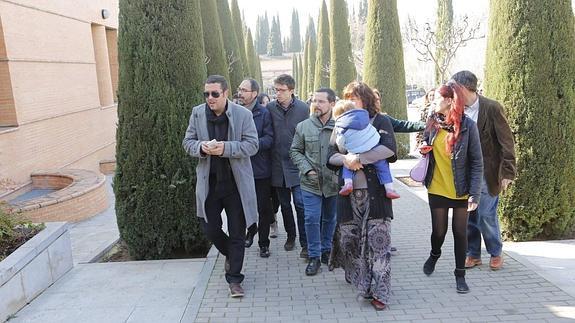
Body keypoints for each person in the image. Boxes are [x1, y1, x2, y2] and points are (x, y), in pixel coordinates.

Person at [182, 75, 259, 298]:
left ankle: (235, 279)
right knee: (209, 228)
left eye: (215, 94)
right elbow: (187, 142)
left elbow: (252, 145)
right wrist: (202, 148)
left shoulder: (243, 114)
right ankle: (232, 254)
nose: (210, 98)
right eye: (206, 94)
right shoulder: (197, 113)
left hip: (236, 185)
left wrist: (225, 148)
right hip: (210, 184)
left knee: (237, 232)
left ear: (226, 93)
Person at [327, 81, 397, 311]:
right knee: (351, 242)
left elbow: (389, 149)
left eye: (353, 97)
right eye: (346, 97)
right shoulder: (340, 124)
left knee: (379, 244)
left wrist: (359, 159)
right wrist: (345, 159)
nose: (348, 101)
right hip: (349, 195)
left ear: (365, 99)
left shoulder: (381, 120)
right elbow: (330, 156)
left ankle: (381, 292)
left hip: (376, 194)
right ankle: (364, 285)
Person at [419, 82, 483, 294]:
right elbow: (424, 141)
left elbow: (476, 162)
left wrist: (474, 194)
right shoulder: (432, 121)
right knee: (439, 231)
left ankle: (460, 275)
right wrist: (423, 148)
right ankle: (434, 254)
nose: (432, 102)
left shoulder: (467, 126)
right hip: (436, 186)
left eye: (436, 98)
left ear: (448, 101)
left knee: (459, 232)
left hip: (460, 188)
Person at [450, 71, 516, 271]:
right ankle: (473, 254)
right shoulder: (456, 110)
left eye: (454, 88)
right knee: (468, 214)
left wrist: (507, 171)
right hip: (464, 173)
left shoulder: (492, 108)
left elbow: (507, 142)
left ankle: (495, 252)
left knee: (486, 214)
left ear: (463, 88)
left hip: (487, 172)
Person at [289, 88, 339, 275]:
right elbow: (295, 151)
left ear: (332, 104)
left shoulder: (340, 126)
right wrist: (307, 169)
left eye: (321, 101)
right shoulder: (303, 126)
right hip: (310, 183)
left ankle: (326, 250)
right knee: (311, 218)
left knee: (330, 218)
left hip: (333, 183)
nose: (316, 105)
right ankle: (314, 256)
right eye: (314, 101)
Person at [267, 74, 310, 257]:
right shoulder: (269, 108)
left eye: (282, 90)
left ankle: (305, 242)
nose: (278, 93)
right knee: (284, 205)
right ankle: (290, 236)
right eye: (275, 90)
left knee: (300, 204)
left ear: (291, 90)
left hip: (298, 165)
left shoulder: (304, 109)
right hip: (277, 165)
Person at [332, 100, 400, 199]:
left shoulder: (340, 125)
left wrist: (344, 146)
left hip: (355, 151)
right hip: (373, 146)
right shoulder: (363, 118)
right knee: (383, 167)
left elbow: (340, 142)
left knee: (348, 165)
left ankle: (348, 183)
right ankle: (389, 188)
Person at [237, 78, 274, 258]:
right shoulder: (234, 112)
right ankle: (250, 232)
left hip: (260, 170)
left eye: (244, 90)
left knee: (263, 208)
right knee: (242, 206)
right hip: (239, 169)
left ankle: (264, 244)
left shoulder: (263, 113)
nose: (240, 93)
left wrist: (250, 145)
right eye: (239, 89)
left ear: (254, 93)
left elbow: (269, 139)